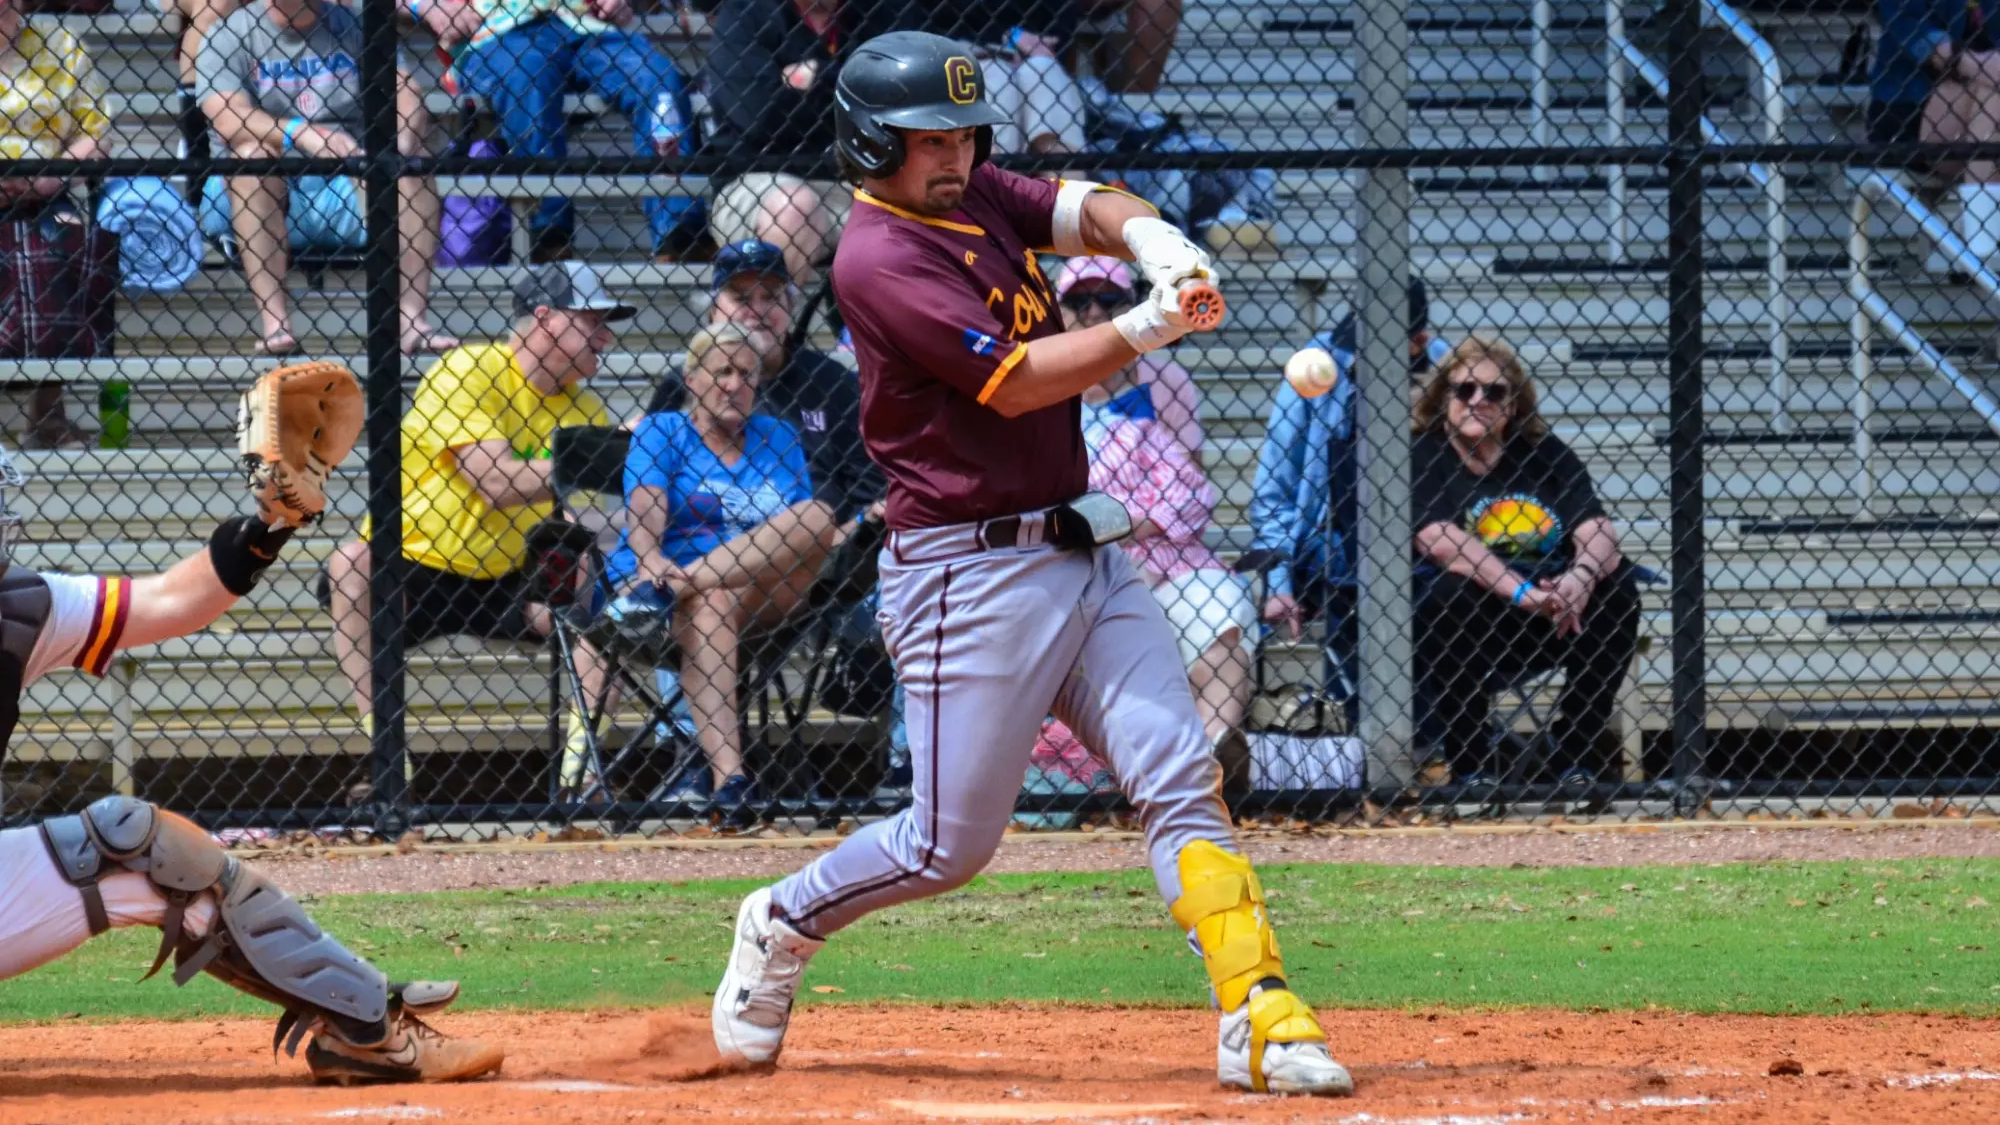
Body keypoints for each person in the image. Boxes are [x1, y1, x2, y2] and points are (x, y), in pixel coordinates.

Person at [708, 31, 1353, 1097]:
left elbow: (1083, 205)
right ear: (870, 144)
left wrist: (1156, 238)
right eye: (929, 139)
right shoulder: (878, 257)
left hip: (1081, 548)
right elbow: (1013, 381)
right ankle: (781, 919)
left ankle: (1261, 1011)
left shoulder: (969, 192)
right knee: (946, 848)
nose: (955, 154)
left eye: (965, 133)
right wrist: (1149, 323)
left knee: (1180, 777)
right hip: (966, 576)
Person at [0, 371, 502, 1085]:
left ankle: (364, 1029)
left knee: (139, 847)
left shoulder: (21, 610)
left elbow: (174, 600)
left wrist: (272, 523)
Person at [324, 261, 622, 753]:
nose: (606, 336)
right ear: (545, 318)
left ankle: (583, 765)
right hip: (418, 568)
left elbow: (580, 515)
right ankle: (386, 747)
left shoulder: (586, 409)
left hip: (511, 577)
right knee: (351, 563)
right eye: (593, 320)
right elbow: (493, 482)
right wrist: (600, 456)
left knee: (599, 574)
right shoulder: (469, 368)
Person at [580, 324, 827, 806]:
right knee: (712, 602)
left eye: (747, 374)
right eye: (723, 372)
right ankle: (730, 779)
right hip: (683, 597)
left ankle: (676, 587)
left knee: (816, 515)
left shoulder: (779, 436)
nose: (735, 385)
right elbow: (646, 506)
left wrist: (674, 579)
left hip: (750, 592)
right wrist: (650, 556)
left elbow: (798, 529)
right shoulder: (662, 430)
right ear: (692, 380)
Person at [1409, 335, 1642, 797]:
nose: (1478, 400)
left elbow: (1598, 528)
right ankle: (1471, 765)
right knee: (1452, 592)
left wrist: (1578, 580)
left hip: (1555, 613)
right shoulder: (1423, 455)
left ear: (1513, 405)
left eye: (1494, 392)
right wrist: (1521, 593)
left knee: (1618, 588)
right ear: (1445, 399)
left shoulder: (1544, 452)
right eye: (1465, 389)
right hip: (1468, 623)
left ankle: (1573, 751)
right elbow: (1440, 540)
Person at [196, 0, 455, 357]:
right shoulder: (229, 33)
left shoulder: (357, 23)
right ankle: (276, 325)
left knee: (413, 164)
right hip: (250, 190)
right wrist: (300, 133)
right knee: (251, 157)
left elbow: (405, 92)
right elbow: (228, 118)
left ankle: (411, 321)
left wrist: (395, 148)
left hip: (347, 180)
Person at [1249, 282, 1450, 683]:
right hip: (1332, 537)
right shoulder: (1320, 362)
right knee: (1350, 562)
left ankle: (1425, 704)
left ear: (1417, 343)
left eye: (1378, 345)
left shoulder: (1446, 369)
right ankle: (1362, 702)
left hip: (1427, 531)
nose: (1359, 354)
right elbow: (1273, 489)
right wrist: (1278, 582)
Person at [432, 0, 704, 262]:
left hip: (587, 26)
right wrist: (428, 6)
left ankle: (679, 229)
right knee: (528, 76)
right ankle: (549, 233)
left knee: (658, 78)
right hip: (501, 32)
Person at [702, 0, 906, 282]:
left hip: (856, 184)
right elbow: (757, 118)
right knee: (793, 208)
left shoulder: (879, 13)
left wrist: (819, 76)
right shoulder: (745, 14)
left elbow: (899, 100)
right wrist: (850, 94)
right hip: (758, 181)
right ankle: (777, 310)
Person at [0, 0, 116, 447]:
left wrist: (51, 175)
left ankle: (48, 413)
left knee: (67, 238)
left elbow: (96, 133)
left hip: (46, 187)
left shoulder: (61, 45)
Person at [1872, 0, 2000, 265]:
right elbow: (1912, 30)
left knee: (1991, 96)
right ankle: (1983, 247)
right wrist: (1971, 62)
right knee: (1993, 96)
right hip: (1911, 104)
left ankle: (1981, 243)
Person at [1053, 255, 1201, 453]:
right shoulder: (1043, 384)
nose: (1095, 313)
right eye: (1078, 302)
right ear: (1058, 312)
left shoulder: (1168, 380)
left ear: (1131, 308)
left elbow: (1187, 468)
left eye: (1109, 300)